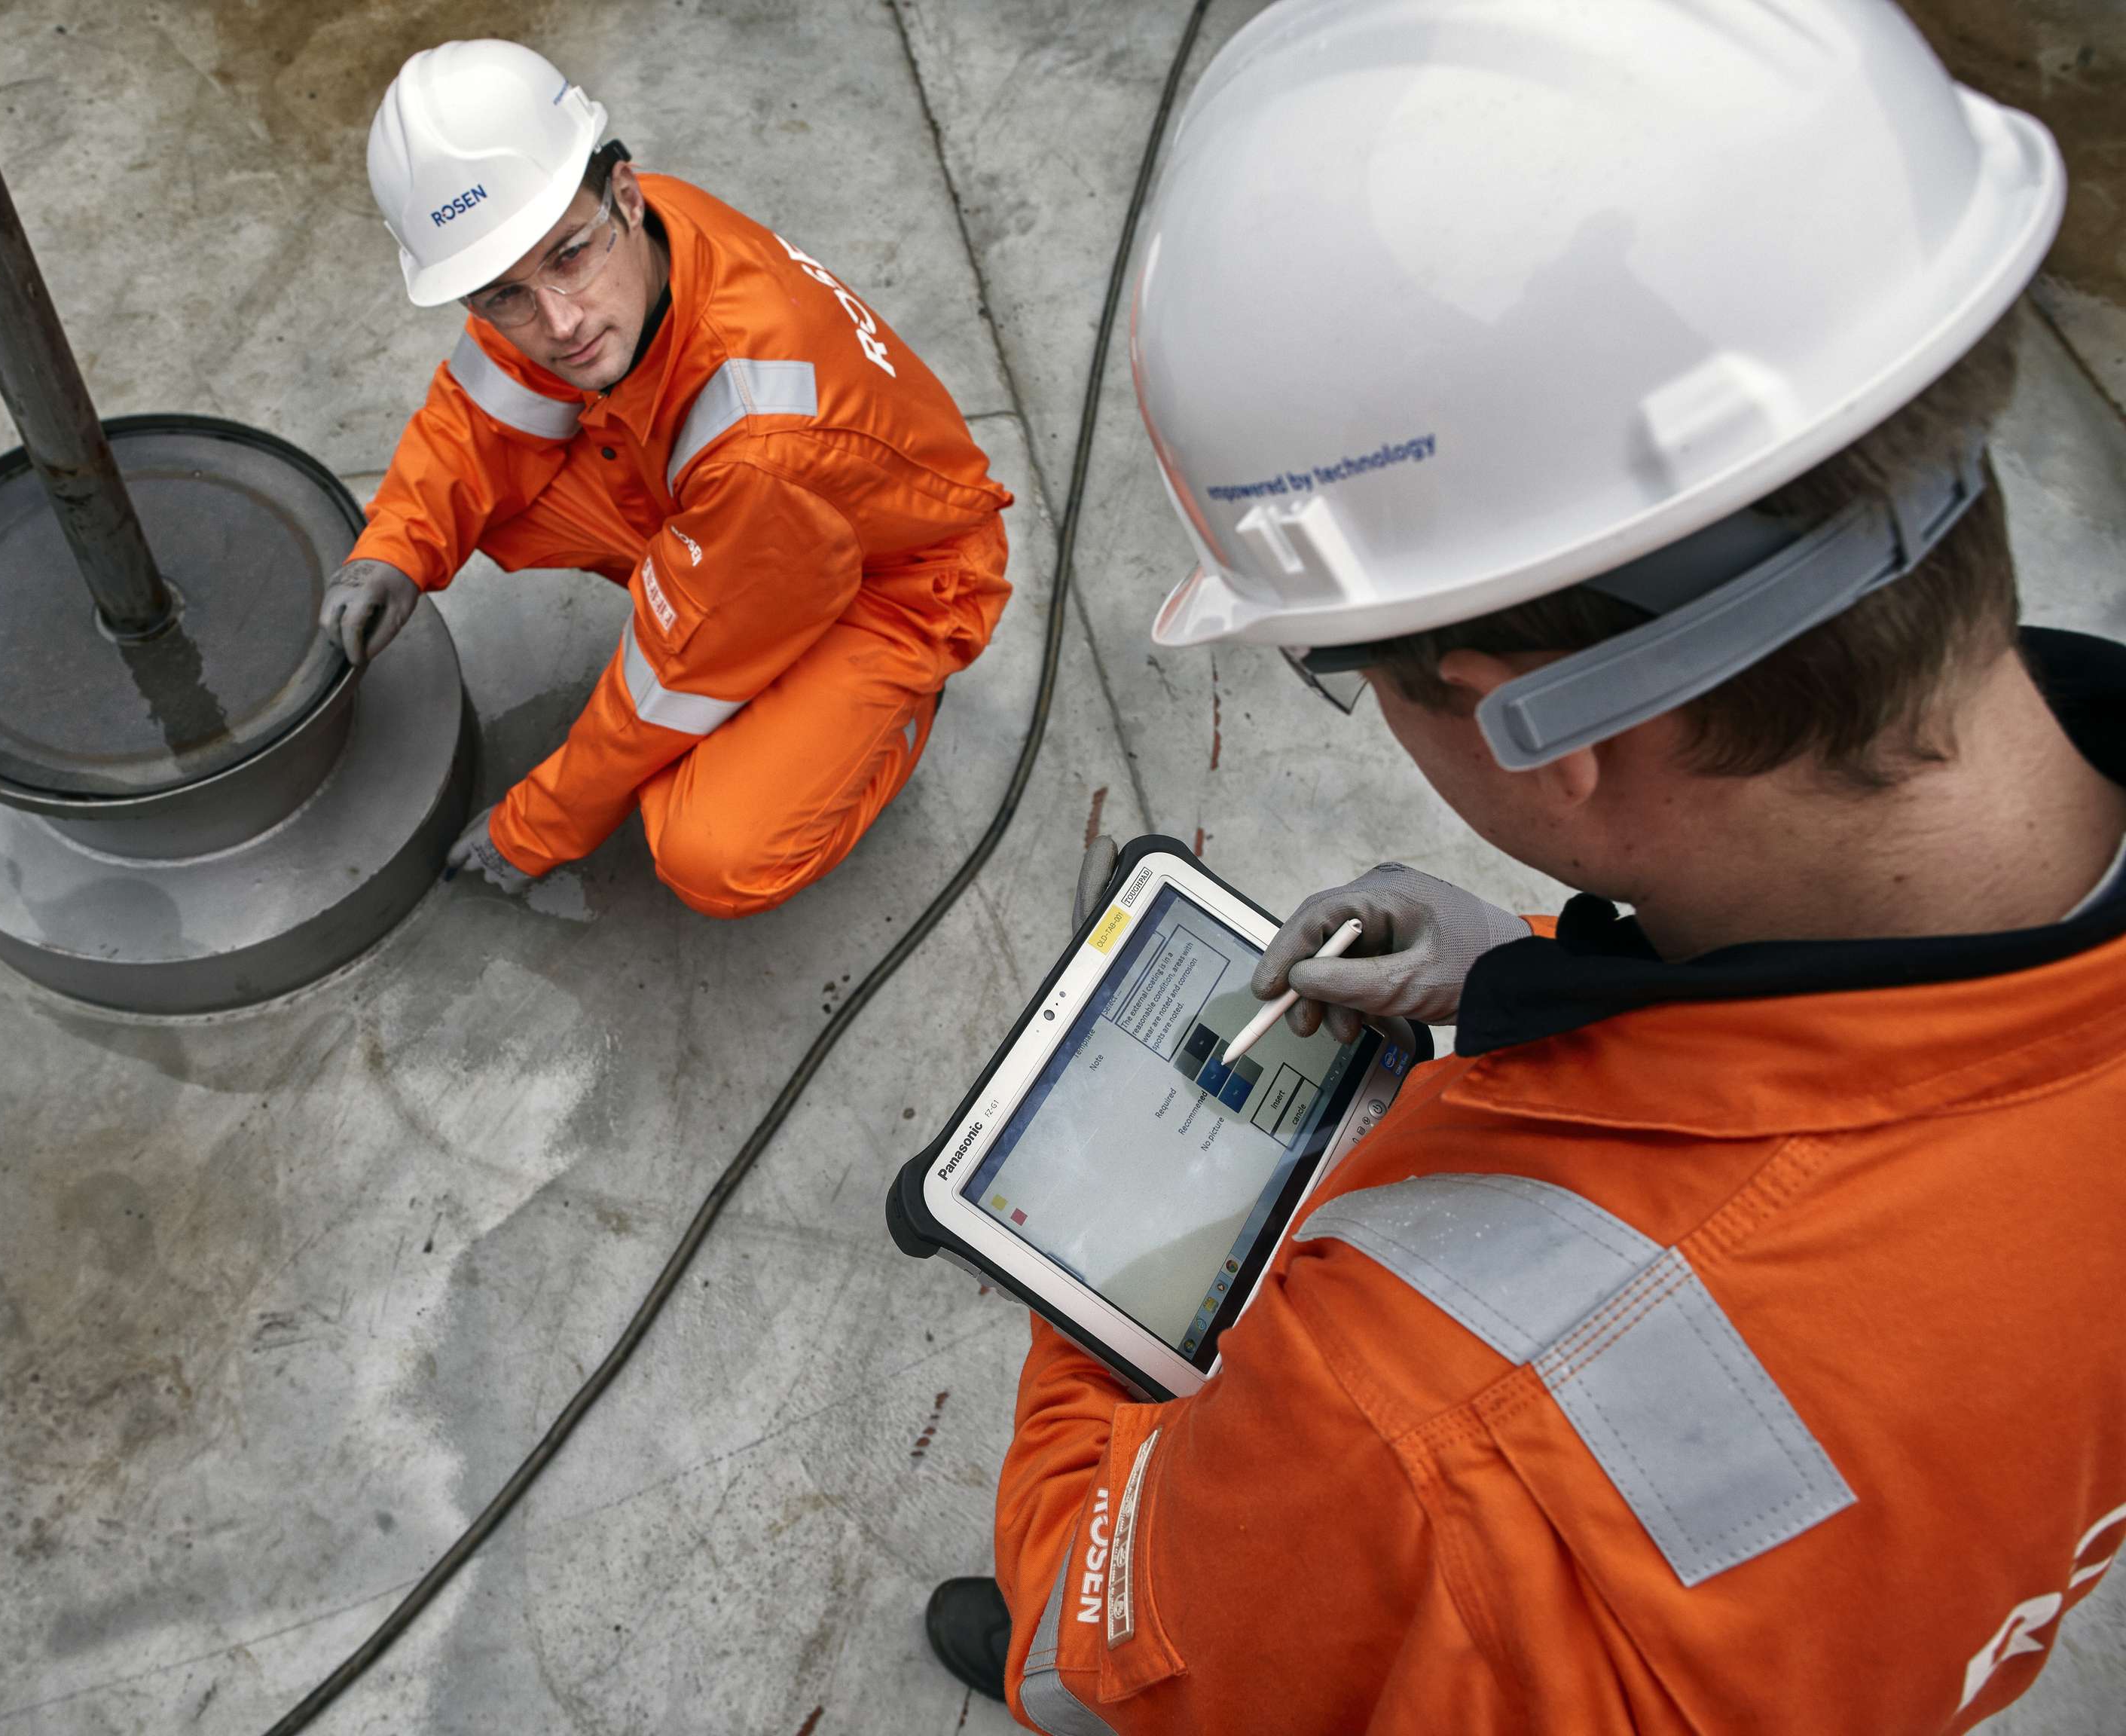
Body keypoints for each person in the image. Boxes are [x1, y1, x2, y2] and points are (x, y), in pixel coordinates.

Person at [924, 0, 2126, 1728]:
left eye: (1339, 658)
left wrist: (1083, 1278)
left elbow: (1095, 1656)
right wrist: (1536, 979)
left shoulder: (1401, 1425)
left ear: (1541, 731)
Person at [324, 40, 1012, 918]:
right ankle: (748, 622)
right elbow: (480, 413)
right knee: (494, 490)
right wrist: (395, 548)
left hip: (897, 578)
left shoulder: (762, 446)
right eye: (503, 297)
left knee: (713, 852)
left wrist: (536, 828)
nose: (558, 321)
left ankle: (891, 710)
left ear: (625, 194)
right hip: (748, 521)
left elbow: (671, 675)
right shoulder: (612, 234)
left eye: (568, 259)